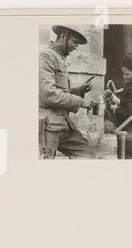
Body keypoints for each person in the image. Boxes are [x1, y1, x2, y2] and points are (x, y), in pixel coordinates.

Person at [39, 25, 94, 159]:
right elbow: (47, 95)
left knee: (87, 153)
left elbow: (61, 91)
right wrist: (80, 101)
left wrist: (78, 91)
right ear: (63, 36)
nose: (76, 46)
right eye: (74, 42)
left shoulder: (59, 58)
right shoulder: (46, 57)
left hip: (63, 124)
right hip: (49, 127)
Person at [107, 53, 132, 159]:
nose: (124, 77)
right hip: (130, 128)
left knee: (127, 156)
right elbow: (131, 104)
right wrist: (118, 100)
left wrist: (113, 108)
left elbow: (129, 113)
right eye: (123, 73)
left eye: (127, 74)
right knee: (123, 155)